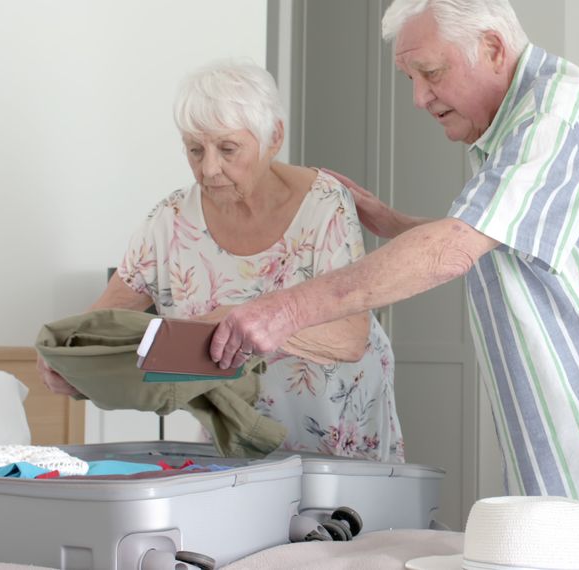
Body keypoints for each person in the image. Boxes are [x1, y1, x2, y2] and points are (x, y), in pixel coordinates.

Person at [209, 1, 579, 567]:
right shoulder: (509, 132)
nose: (418, 98)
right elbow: (508, 242)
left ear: (492, 47)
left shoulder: (556, 117)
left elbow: (456, 250)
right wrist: (393, 224)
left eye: (430, 73)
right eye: (410, 78)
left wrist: (282, 311)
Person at [37, 61, 404, 463]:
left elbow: (350, 337)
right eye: (195, 149)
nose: (208, 168)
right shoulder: (169, 222)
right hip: (235, 434)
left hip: (339, 427)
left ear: (273, 137)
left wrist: (251, 320)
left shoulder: (324, 203)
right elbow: (101, 324)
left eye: (228, 149)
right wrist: (66, 360)